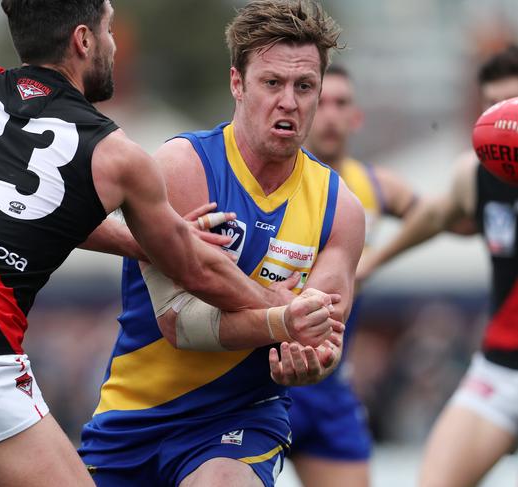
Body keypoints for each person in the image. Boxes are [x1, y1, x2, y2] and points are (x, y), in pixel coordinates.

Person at [0, 1, 317, 486]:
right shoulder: (115, 153)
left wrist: (148, 242)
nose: (114, 43)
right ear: (83, 41)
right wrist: (280, 312)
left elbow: (12, 212)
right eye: (108, 29)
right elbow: (197, 272)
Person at [78, 2, 366, 486]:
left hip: (241, 419)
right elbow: (181, 324)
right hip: (133, 419)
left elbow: (323, 340)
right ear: (238, 83)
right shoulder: (184, 165)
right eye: (271, 83)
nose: (289, 103)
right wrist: (282, 318)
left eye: (304, 87)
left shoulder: (341, 209)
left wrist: (312, 362)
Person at [357, 44, 518, 487]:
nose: (500, 121)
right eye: (490, 107)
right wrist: (373, 262)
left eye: (511, 105)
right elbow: (437, 215)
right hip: (500, 373)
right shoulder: (475, 175)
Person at [286, 65, 417, 487]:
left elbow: (439, 215)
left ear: (355, 117)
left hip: (329, 386)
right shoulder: (272, 184)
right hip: (262, 377)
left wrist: (376, 259)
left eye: (341, 103)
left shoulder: (376, 187)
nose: (329, 114)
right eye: (320, 102)